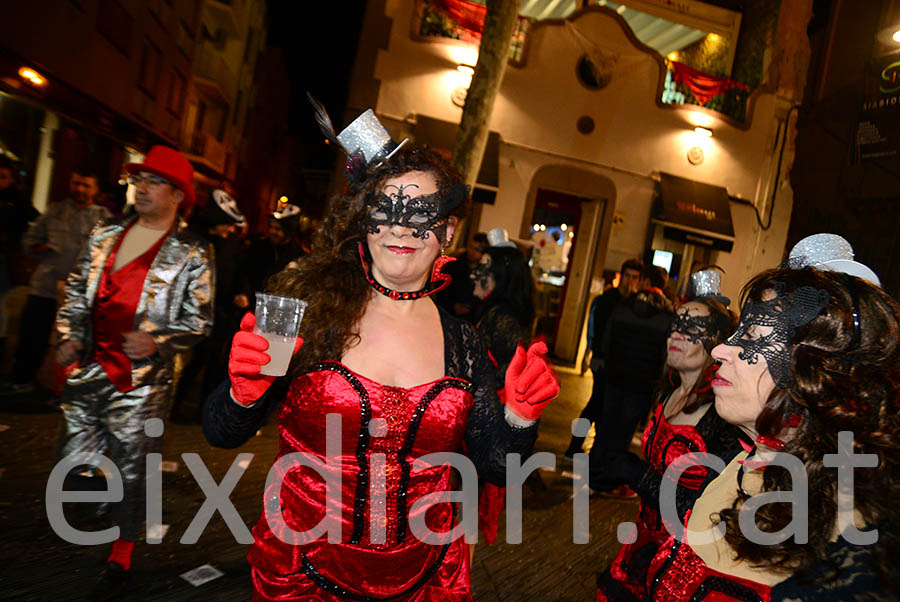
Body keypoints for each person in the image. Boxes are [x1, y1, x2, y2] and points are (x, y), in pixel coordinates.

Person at [203, 105, 559, 600]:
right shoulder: (305, 311)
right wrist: (243, 395)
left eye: (420, 215)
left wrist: (519, 418)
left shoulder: (465, 344)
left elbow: (496, 465)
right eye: (385, 210)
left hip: (427, 578)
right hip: (301, 575)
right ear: (364, 222)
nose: (399, 229)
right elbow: (221, 431)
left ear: (449, 231)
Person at [646, 234, 900, 600]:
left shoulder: (851, 544)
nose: (720, 349)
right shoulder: (743, 461)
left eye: (752, 337)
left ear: (810, 371)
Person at [55, 146, 214, 599]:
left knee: (133, 470)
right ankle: (95, 509)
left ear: (178, 195)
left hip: (141, 382)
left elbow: (200, 320)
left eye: (153, 182)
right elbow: (74, 291)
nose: (141, 188)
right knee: (76, 463)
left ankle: (122, 549)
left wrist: (159, 341)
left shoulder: (193, 251)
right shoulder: (104, 234)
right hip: (88, 370)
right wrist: (67, 334)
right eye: (138, 180)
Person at [592, 278, 746, 600]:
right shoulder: (668, 393)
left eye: (692, 329)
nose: (677, 333)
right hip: (641, 545)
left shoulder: (724, 416)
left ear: (717, 341)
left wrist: (637, 474)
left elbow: (711, 514)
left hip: (682, 564)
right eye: (677, 324)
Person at [1, 168, 109, 395]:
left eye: (86, 185)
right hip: (45, 286)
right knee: (32, 335)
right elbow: (29, 240)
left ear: (96, 190)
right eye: (76, 183)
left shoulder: (104, 219)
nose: (80, 189)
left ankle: (61, 388)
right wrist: (41, 248)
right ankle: (22, 380)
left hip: (79, 294)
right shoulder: (55, 211)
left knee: (71, 343)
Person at [469, 234, 537, 547]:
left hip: (487, 424)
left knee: (466, 515)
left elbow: (513, 368)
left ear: (500, 276)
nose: (474, 273)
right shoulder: (495, 312)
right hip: (483, 419)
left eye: (483, 267)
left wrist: (473, 382)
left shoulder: (503, 318)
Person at [589, 265, 674, 497]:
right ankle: (612, 480)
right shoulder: (667, 314)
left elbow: (607, 340)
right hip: (641, 384)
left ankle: (595, 475)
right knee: (624, 433)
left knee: (606, 427)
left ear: (644, 280)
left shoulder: (625, 306)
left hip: (615, 377)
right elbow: (665, 357)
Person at [172, 188, 247, 422]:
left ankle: (204, 411)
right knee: (194, 362)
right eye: (225, 223)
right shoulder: (195, 240)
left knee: (214, 363)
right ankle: (176, 407)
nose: (229, 229)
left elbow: (239, 273)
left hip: (221, 314)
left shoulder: (232, 244)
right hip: (194, 313)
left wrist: (242, 292)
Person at [563, 258, 643, 459]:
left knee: (599, 406)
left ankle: (582, 448)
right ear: (621, 276)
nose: (630, 281)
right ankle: (576, 447)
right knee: (597, 405)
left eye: (634, 277)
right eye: (627, 276)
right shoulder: (609, 300)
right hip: (603, 361)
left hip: (616, 363)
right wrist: (594, 354)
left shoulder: (631, 302)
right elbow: (597, 331)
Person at [0, 155, 38, 366]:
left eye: (4, 177)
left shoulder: (17, 199)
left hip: (5, 257)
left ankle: (2, 345)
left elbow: (35, 220)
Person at [436, 231, 488, 320]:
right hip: (449, 313)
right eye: (471, 247)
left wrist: (473, 308)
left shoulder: (487, 271)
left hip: (475, 316)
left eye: (477, 250)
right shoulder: (453, 266)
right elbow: (441, 290)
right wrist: (453, 306)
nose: (471, 252)